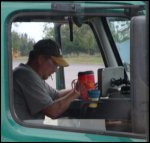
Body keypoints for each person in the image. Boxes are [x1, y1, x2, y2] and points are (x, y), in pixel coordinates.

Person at [13, 39, 80, 121]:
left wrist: (78, 88)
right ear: (41, 59)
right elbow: (53, 111)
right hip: (24, 132)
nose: (55, 70)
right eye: (55, 64)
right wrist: (76, 93)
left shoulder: (33, 75)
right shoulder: (25, 75)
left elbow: (56, 95)